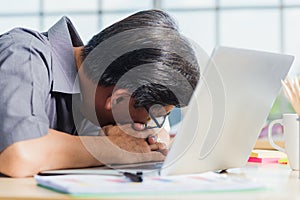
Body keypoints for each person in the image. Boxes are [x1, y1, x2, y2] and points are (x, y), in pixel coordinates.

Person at [0, 9, 200, 177]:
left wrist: (151, 140)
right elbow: (19, 154)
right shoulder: (23, 55)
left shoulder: (92, 93)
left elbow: (158, 134)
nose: (150, 123)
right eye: (151, 117)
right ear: (118, 99)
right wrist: (114, 150)